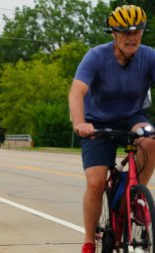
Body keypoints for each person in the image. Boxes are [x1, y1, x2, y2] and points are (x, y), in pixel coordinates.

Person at [68, 5, 155, 253]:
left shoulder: (149, 57)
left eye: (137, 31)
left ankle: (136, 196)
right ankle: (88, 240)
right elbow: (77, 91)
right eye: (124, 31)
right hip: (96, 122)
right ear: (113, 34)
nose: (132, 36)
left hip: (132, 118)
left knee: (150, 140)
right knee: (96, 183)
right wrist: (79, 123)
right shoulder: (96, 56)